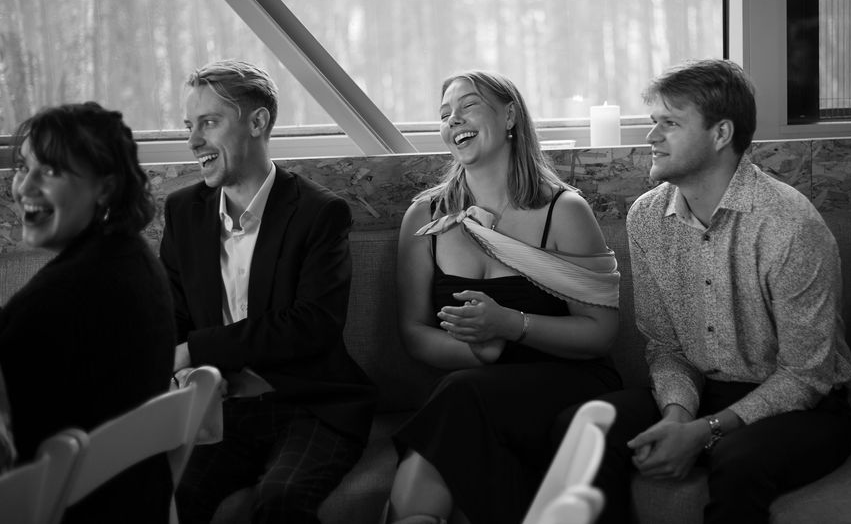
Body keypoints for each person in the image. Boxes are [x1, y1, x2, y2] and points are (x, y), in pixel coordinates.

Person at [583, 59, 851, 524]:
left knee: (739, 461)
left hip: (807, 406)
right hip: (704, 390)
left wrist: (705, 432)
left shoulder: (789, 224)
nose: (651, 138)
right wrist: (676, 416)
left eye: (669, 124)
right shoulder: (646, 217)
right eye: (654, 123)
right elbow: (666, 345)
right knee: (586, 428)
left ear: (720, 134)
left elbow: (806, 375)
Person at [387, 71, 621, 524]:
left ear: (510, 115)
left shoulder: (564, 210)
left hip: (567, 380)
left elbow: (601, 336)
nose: (454, 119)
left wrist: (509, 325)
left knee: (457, 394)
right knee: (463, 396)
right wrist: (482, 351)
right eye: (444, 114)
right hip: (477, 388)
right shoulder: (426, 217)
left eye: (468, 106)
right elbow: (413, 333)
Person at [161, 60, 376, 524]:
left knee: (280, 499)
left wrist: (195, 349)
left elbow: (311, 325)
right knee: (166, 496)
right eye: (189, 126)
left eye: (210, 122)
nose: (194, 140)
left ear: (257, 122)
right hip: (220, 408)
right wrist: (183, 370)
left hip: (309, 405)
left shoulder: (320, 213)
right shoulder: (183, 212)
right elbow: (172, 315)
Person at [0, 102, 175, 522]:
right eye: (24, 167)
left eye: (52, 171)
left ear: (105, 187)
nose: (23, 188)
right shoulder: (132, 260)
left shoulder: (67, 295)